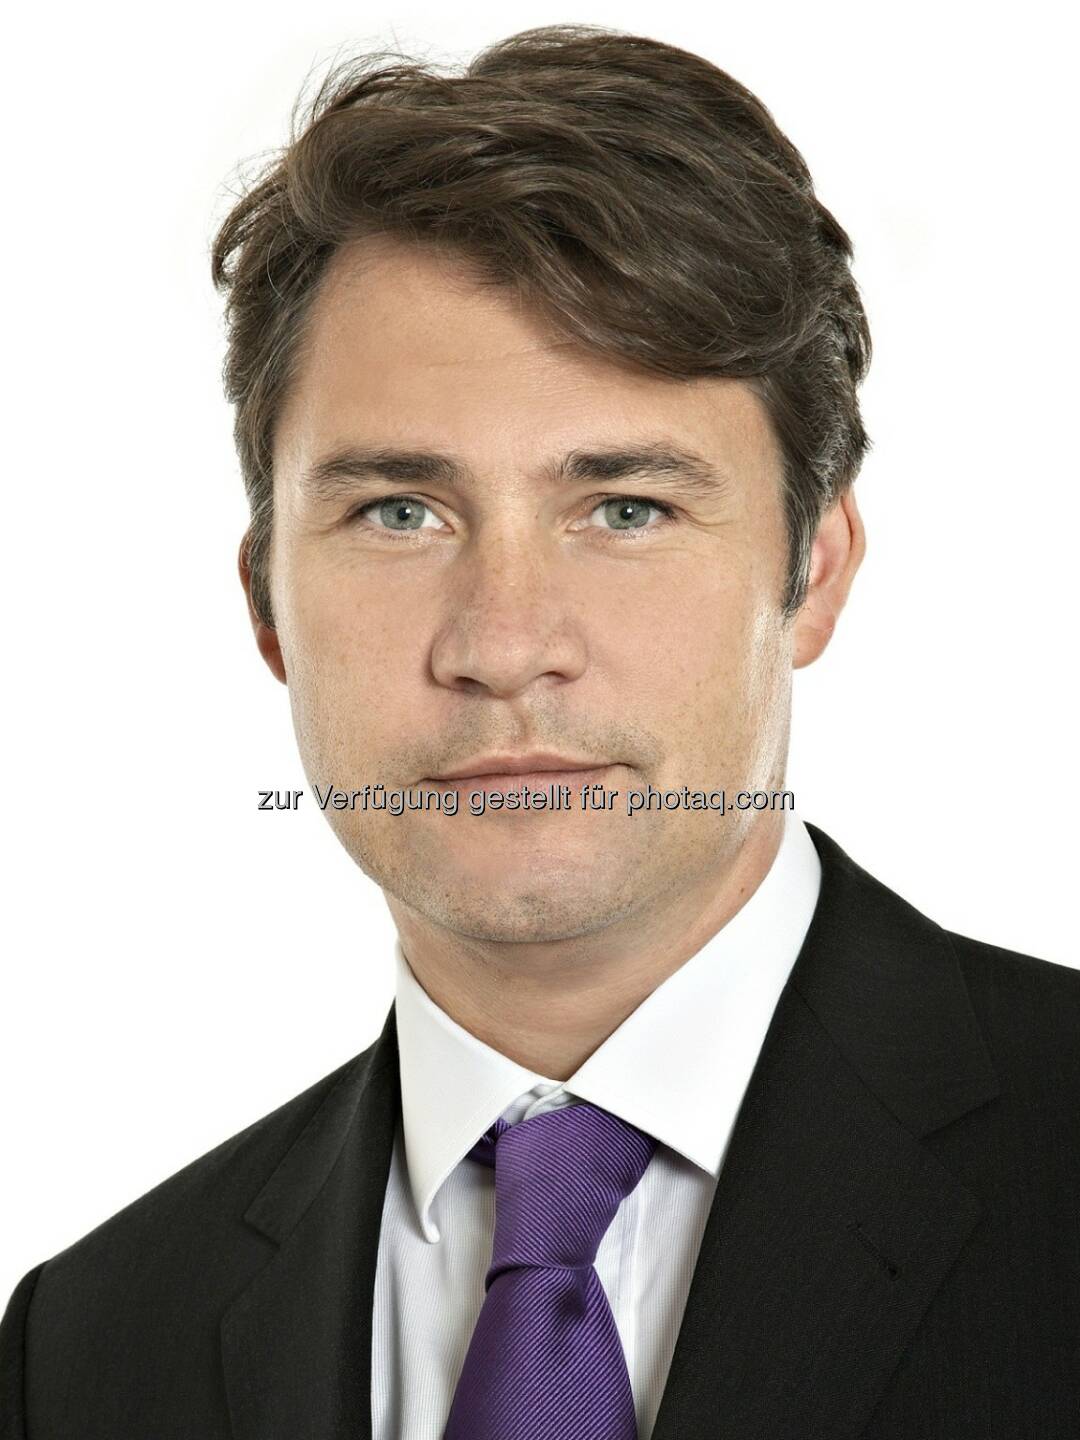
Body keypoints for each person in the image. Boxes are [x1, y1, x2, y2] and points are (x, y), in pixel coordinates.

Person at [3, 21, 1078, 1440]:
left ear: (812, 571)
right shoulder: (86, 1352)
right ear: (267, 603)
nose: (505, 645)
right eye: (400, 512)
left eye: (625, 508)